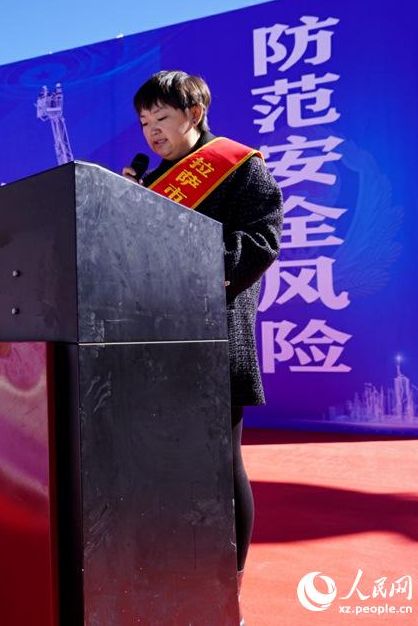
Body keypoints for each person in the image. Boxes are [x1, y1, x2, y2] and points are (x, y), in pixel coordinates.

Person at [121, 70, 283, 613]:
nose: (152, 132)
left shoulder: (239, 168)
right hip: (146, 343)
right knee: (157, 463)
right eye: (144, 122)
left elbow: (261, 242)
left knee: (219, 463)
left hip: (212, 337)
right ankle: (170, 573)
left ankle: (228, 586)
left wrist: (185, 256)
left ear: (194, 113)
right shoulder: (148, 183)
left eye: (162, 118)